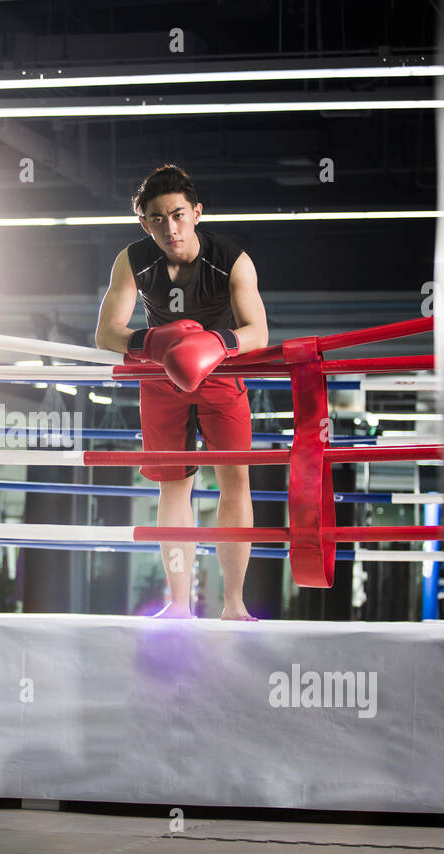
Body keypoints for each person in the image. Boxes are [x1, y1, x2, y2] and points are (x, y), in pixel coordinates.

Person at [94, 164, 269, 620]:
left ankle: (234, 605)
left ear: (196, 212)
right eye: (157, 219)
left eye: (177, 215)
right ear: (144, 222)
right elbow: (105, 333)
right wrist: (151, 342)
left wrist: (216, 342)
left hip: (221, 373)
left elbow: (258, 332)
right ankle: (177, 604)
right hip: (161, 375)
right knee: (173, 486)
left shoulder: (232, 259)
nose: (169, 228)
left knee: (235, 482)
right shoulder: (132, 260)